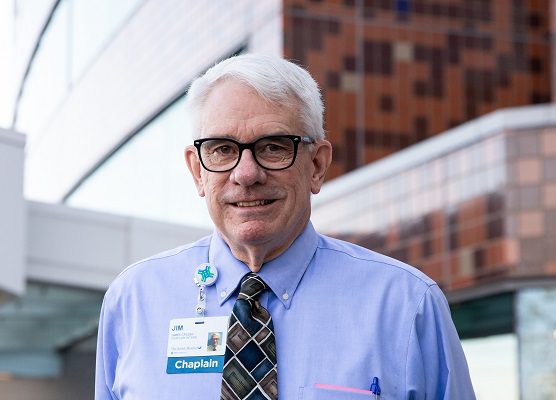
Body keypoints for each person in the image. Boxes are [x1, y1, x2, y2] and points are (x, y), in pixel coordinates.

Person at [95, 54, 475, 399]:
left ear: (317, 165)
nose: (246, 174)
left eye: (274, 146)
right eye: (223, 149)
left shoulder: (407, 305)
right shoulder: (133, 301)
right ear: (197, 170)